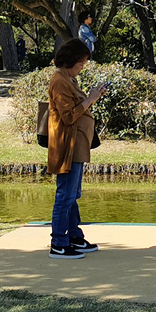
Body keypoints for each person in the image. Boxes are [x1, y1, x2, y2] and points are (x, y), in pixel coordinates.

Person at [47, 38, 107, 259]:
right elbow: (69, 115)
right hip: (67, 147)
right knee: (65, 194)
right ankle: (59, 242)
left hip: (77, 146)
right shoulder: (60, 82)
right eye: (81, 63)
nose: (82, 67)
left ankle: (73, 236)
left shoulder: (69, 80)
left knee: (73, 194)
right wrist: (91, 99)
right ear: (70, 61)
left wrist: (93, 96)